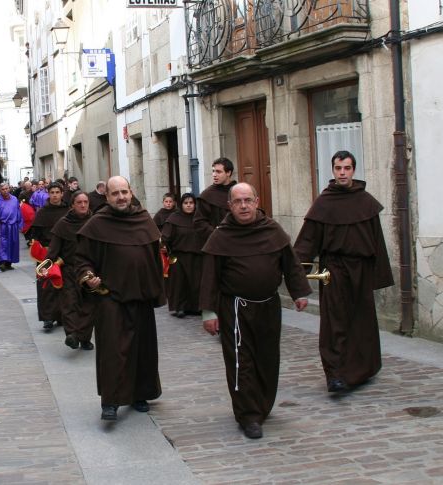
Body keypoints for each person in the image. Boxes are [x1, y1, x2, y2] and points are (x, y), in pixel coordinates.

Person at [200, 182, 311, 439]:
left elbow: (290, 263)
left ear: (257, 201)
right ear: (229, 205)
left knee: (267, 359)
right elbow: (209, 277)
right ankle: (248, 414)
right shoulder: (221, 235)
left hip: (269, 307)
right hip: (235, 309)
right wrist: (209, 312)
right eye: (237, 201)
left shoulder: (272, 230)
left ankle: (263, 404)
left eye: (247, 200)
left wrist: (299, 292)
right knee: (242, 362)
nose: (243, 205)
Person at [294, 150, 394, 393]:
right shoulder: (324, 202)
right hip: (334, 270)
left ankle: (363, 369)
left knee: (362, 321)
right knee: (334, 322)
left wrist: (378, 275)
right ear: (332, 170)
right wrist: (295, 276)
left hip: (360, 269)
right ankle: (335, 375)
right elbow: (307, 241)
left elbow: (377, 241)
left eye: (347, 168)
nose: (342, 173)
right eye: (338, 168)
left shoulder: (365, 201)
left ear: (353, 170)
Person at [75, 176, 164, 421]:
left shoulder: (144, 219)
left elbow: (155, 259)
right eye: (115, 193)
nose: (121, 197)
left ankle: (140, 394)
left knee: (143, 350)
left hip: (141, 297)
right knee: (113, 351)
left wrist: (156, 290)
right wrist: (88, 276)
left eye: (124, 192)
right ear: (107, 197)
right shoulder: (97, 224)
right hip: (110, 297)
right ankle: (111, 401)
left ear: (131, 192)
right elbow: (82, 260)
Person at [47, 191, 95, 350]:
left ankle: (85, 337)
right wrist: (48, 265)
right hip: (69, 270)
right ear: (73, 204)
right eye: (79, 202)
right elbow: (53, 249)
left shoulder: (94, 222)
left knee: (88, 306)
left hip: (89, 271)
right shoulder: (63, 223)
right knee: (69, 303)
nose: (83, 205)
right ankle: (72, 335)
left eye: (85, 202)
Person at [28, 182, 69, 330]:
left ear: (62, 193)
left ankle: (62, 316)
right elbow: (35, 235)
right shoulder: (42, 212)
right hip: (46, 254)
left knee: (63, 285)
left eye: (58, 192)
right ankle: (48, 317)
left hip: (64, 253)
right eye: (52, 192)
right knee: (46, 286)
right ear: (48, 194)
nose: (55, 195)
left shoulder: (68, 211)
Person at [161, 193, 204, 318]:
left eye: (191, 203)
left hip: (197, 256)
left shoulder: (199, 218)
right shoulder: (174, 218)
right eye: (186, 203)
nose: (189, 205)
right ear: (181, 204)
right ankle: (179, 308)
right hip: (179, 256)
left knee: (196, 283)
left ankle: (196, 307)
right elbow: (166, 236)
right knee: (179, 283)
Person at [194, 157, 237, 241]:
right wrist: (216, 233)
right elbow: (199, 222)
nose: (214, 175)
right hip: (217, 242)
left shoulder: (239, 191)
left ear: (228, 172)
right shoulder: (207, 195)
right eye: (213, 171)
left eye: (218, 172)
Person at [0, 182, 23, 272]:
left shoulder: (15, 199)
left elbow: (18, 211)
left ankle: (9, 263)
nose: (5, 191)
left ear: (9, 189)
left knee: (12, 244)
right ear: (0, 190)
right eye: (3, 189)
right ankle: (2, 263)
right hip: (1, 226)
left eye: (6, 189)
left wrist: (20, 223)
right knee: (2, 244)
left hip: (13, 226)